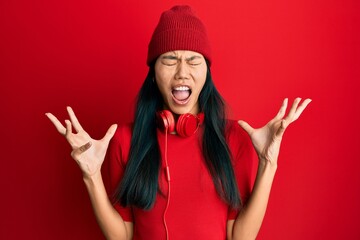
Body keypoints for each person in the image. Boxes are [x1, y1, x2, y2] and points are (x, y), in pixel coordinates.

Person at [46, 5, 311, 240]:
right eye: (170, 60)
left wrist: (269, 163)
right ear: (153, 73)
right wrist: (91, 176)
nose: (182, 72)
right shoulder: (125, 141)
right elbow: (122, 235)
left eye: (193, 60)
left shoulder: (234, 138)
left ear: (206, 73)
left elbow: (240, 237)